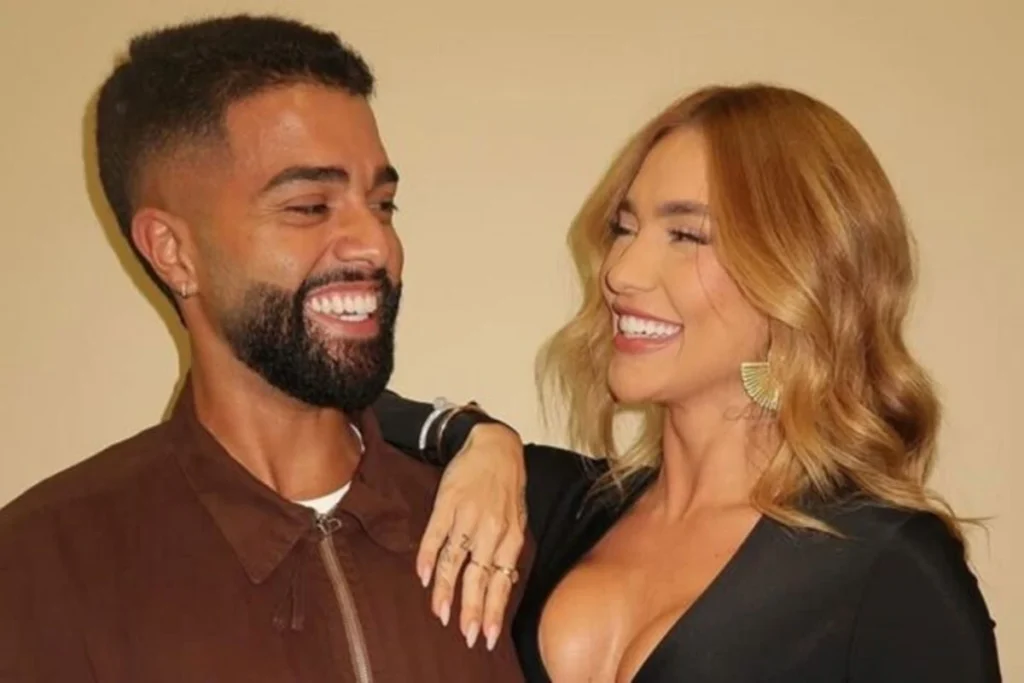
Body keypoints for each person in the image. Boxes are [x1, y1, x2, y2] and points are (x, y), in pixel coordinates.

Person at [374, 84, 1004, 681]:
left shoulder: (887, 566)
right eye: (625, 228)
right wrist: (478, 436)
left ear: (799, 272)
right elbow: (339, 407)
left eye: (686, 235)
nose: (621, 272)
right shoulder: (555, 504)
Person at [0, 14, 529, 682]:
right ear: (174, 252)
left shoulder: (494, 531)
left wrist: (484, 437)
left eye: (383, 204)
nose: (377, 245)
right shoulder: (40, 572)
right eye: (309, 207)